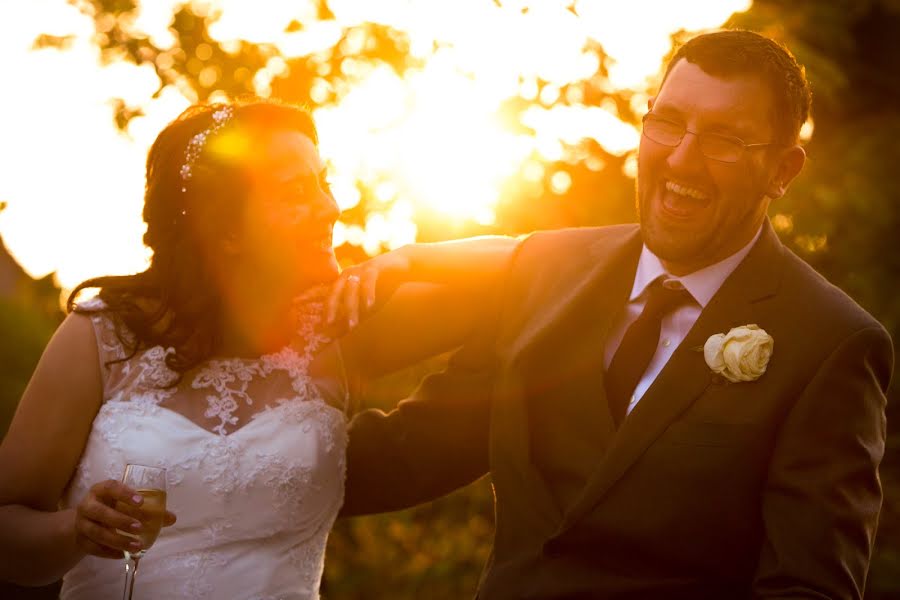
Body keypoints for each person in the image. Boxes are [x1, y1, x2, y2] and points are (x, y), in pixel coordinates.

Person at [339, 30, 894, 598]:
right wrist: (255, 466)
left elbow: (809, 589)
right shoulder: (545, 268)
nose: (682, 158)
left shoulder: (832, 344)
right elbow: (413, 451)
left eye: (725, 139)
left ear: (783, 171)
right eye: (668, 121)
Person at [0, 99, 507, 599]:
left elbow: (531, 269)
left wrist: (414, 260)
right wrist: (75, 531)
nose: (331, 206)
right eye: (296, 191)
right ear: (225, 230)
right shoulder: (101, 334)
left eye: (323, 183)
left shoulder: (344, 326)